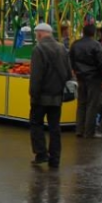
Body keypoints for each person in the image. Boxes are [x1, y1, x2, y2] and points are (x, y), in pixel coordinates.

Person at [29, 23, 72, 168]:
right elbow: (68, 73)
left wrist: (33, 94)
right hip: (57, 96)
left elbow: (36, 75)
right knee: (55, 127)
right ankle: (55, 158)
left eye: (36, 34)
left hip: (41, 96)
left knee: (36, 124)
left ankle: (41, 154)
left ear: (40, 34)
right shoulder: (62, 48)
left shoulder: (38, 49)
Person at [69, 24, 102, 138]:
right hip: (94, 78)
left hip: (80, 77)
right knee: (92, 104)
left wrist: (76, 71)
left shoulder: (75, 44)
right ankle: (89, 131)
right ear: (94, 33)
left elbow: (70, 59)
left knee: (81, 103)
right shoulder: (96, 45)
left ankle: (79, 129)